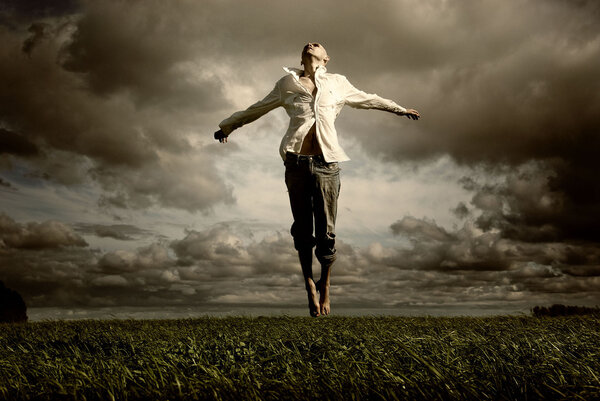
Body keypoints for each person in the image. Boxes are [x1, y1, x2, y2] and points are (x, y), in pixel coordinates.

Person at [215, 42, 420, 317]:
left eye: (318, 45)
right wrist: (228, 126)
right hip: (296, 164)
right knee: (302, 231)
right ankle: (309, 284)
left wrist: (399, 108)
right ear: (303, 57)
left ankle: (326, 283)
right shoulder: (287, 83)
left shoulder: (337, 82)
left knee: (326, 233)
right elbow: (259, 107)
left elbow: (368, 98)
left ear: (326, 59)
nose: (311, 44)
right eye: (308, 45)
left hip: (327, 165)